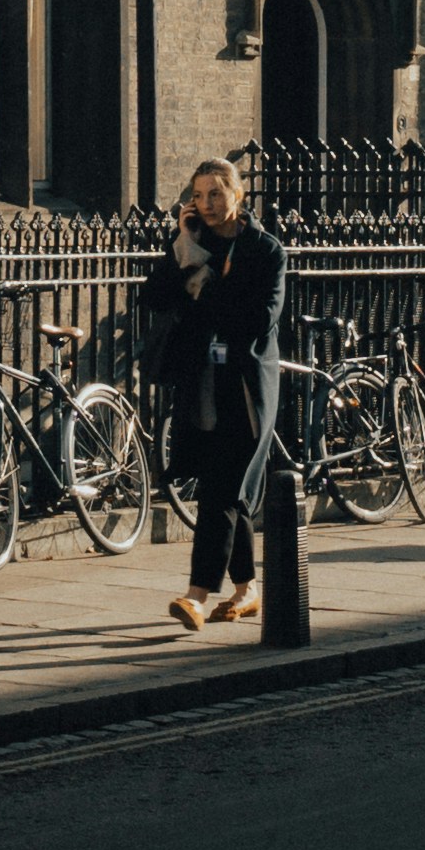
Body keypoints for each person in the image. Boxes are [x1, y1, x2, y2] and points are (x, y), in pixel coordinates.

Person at [138, 160, 287, 628]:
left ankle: (197, 595)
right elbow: (154, 298)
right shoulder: (192, 244)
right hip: (202, 382)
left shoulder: (265, 251)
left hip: (244, 388)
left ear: (237, 196)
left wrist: (203, 287)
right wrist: (185, 248)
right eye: (199, 195)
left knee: (220, 489)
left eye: (216, 194)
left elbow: (258, 319)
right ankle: (247, 591)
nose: (206, 204)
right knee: (229, 492)